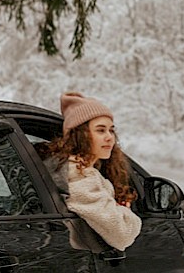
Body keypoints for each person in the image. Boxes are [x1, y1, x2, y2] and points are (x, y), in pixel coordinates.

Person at [40, 92, 142, 252]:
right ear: (80, 135)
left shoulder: (80, 169)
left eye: (111, 130)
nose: (109, 138)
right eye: (101, 131)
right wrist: (125, 211)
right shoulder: (77, 176)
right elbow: (122, 235)